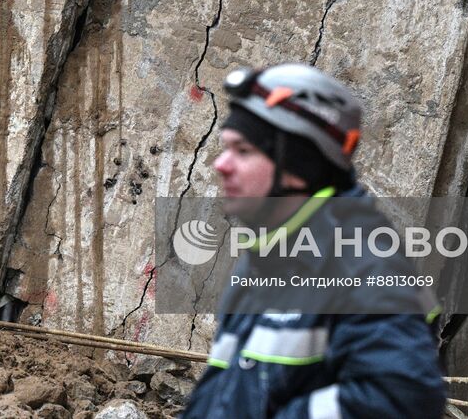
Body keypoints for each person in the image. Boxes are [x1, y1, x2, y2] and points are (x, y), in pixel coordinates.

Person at [182, 63, 446, 419]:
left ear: (294, 164)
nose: (222, 164)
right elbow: (228, 394)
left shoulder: (364, 265)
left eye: (243, 151)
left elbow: (403, 398)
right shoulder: (267, 257)